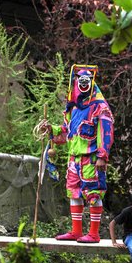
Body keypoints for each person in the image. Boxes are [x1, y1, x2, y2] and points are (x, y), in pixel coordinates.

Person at [39, 64, 114, 243]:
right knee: (74, 193)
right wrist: (51, 129)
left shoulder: (100, 107)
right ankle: (76, 231)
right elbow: (67, 132)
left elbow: (106, 131)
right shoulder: (73, 109)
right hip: (74, 159)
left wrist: (103, 156)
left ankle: (94, 234)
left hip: (92, 158)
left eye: (86, 80)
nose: (83, 84)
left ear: (91, 81)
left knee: (93, 193)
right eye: (80, 80)